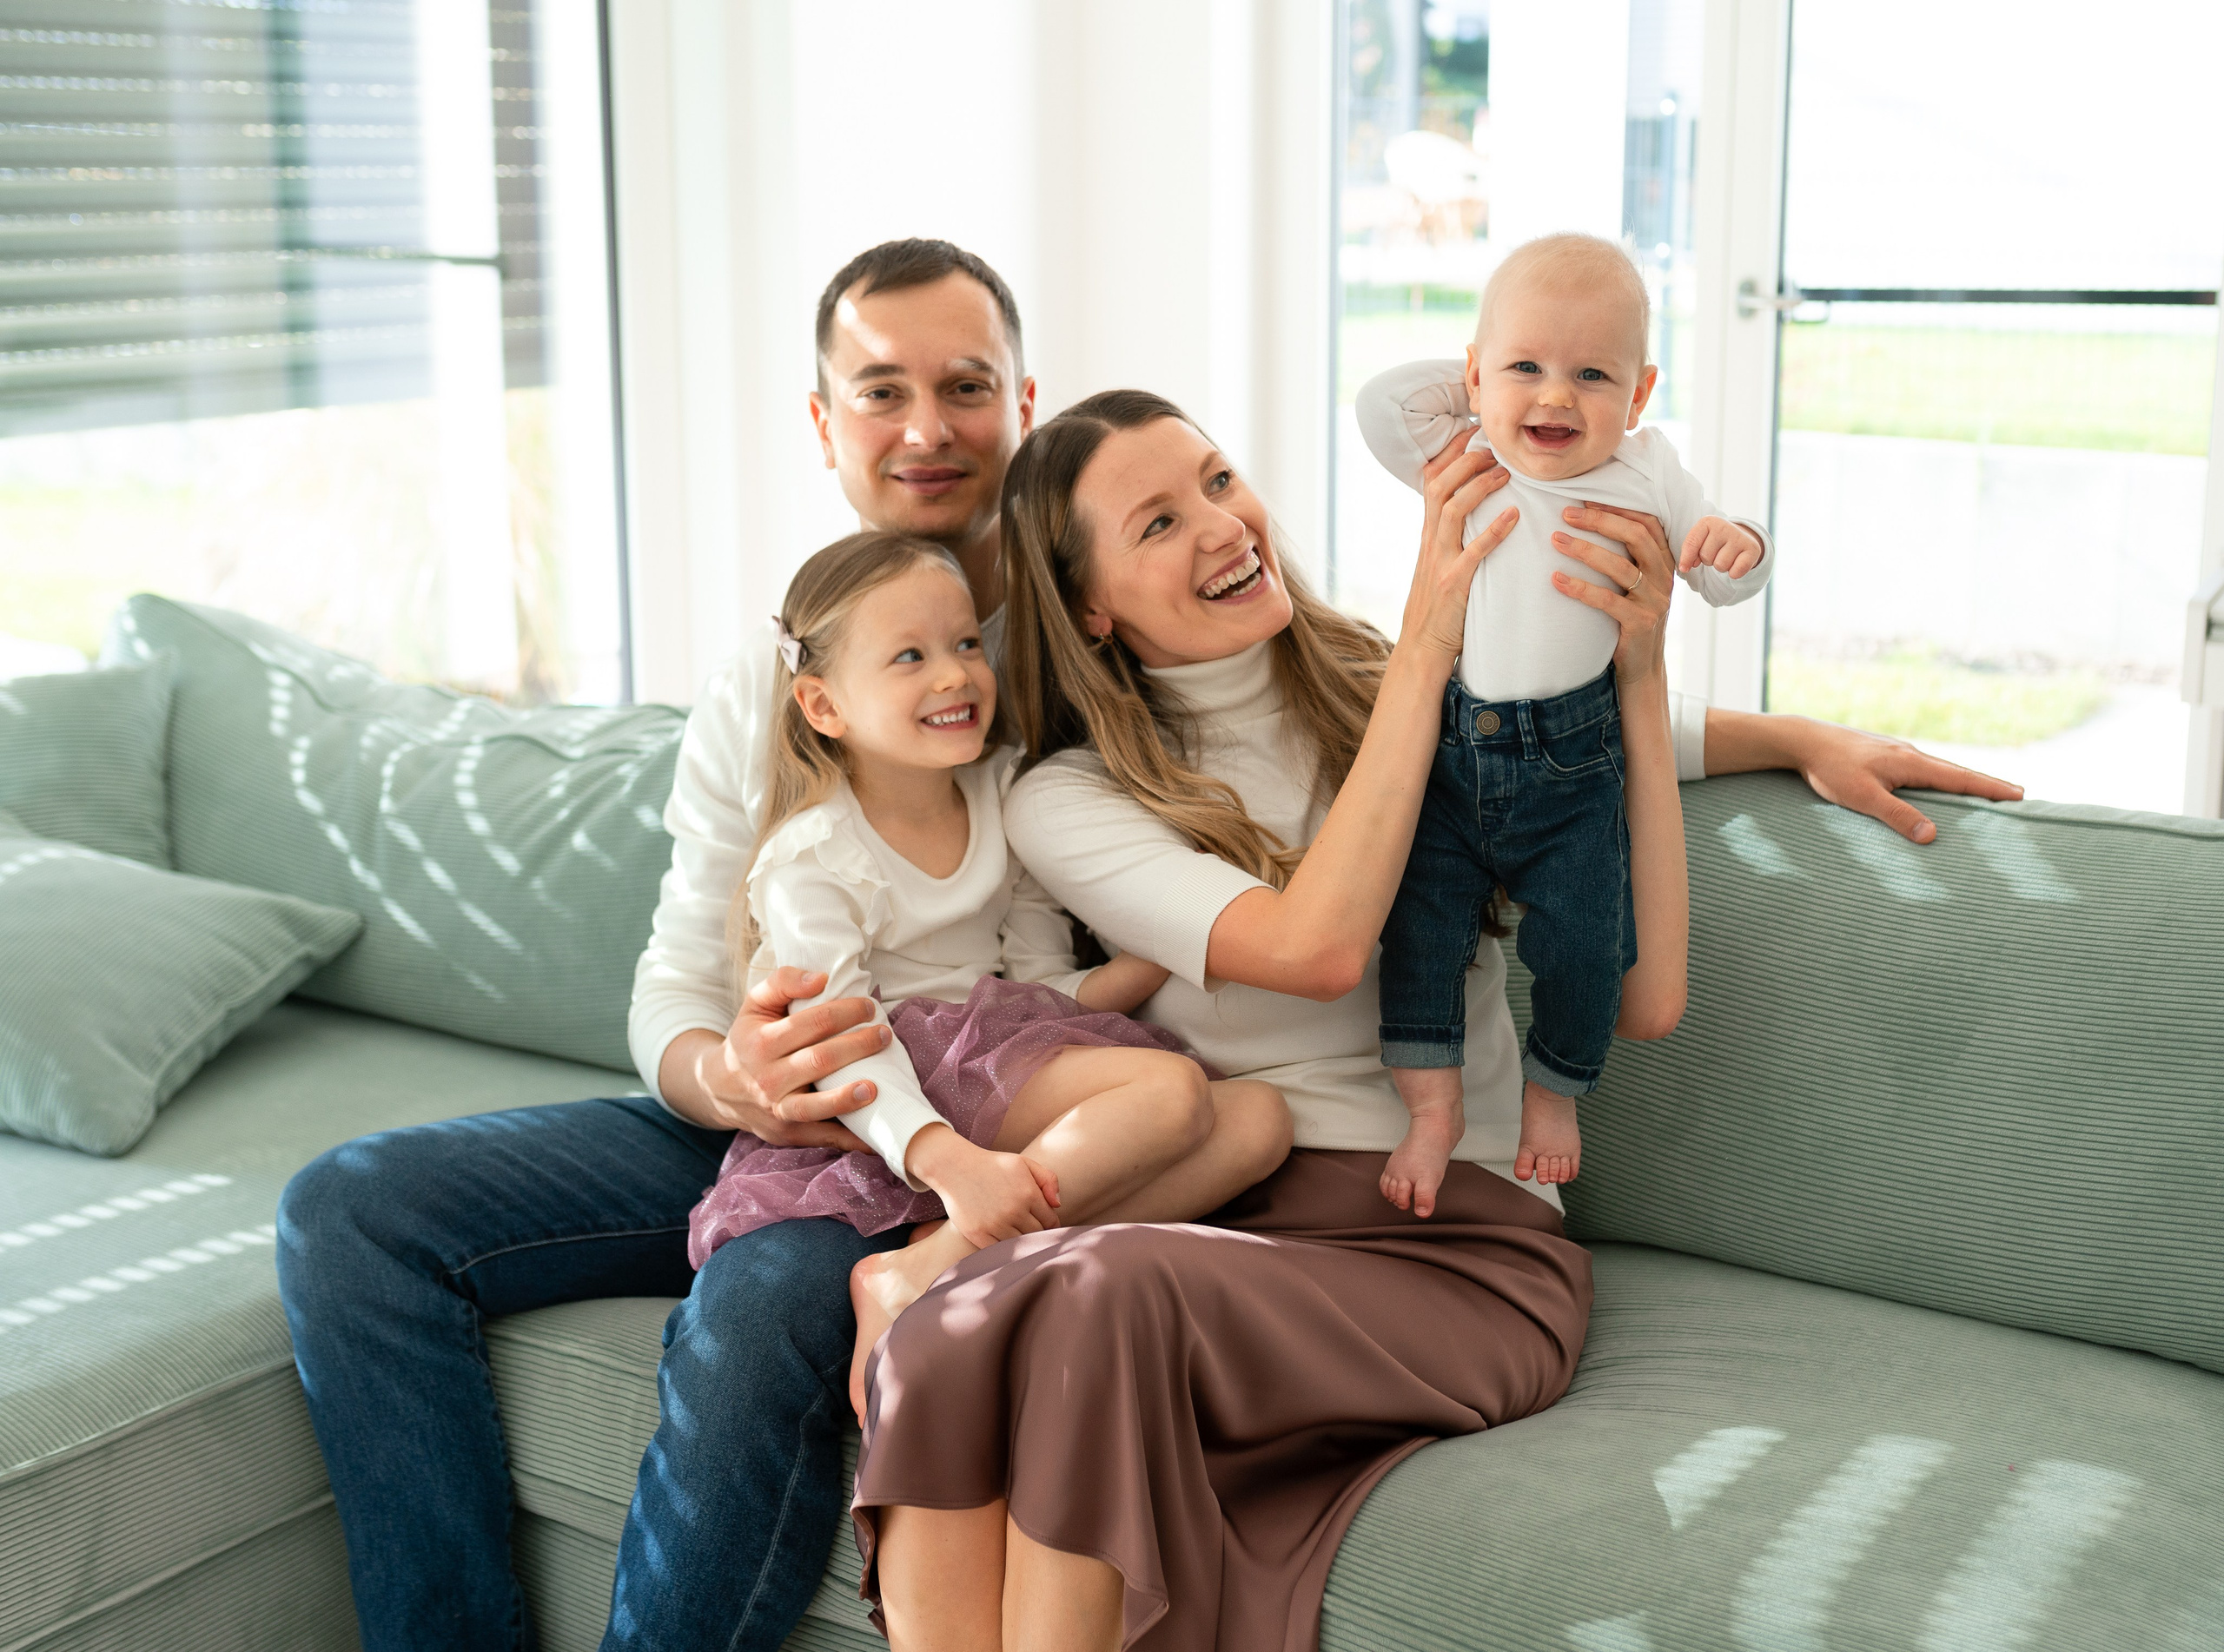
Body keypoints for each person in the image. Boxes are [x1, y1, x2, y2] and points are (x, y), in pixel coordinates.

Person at [275, 235, 2021, 1652]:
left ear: (1014, 404)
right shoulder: (910, 716)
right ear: (825, 424)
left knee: (922, 1295)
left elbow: (1531, 756)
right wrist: (725, 1068)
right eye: (882, 391)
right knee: (386, 1210)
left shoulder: (1287, 684)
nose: (927, 427)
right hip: (904, 1120)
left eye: (1219, 483)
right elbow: (693, 957)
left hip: (1195, 1165)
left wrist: (1769, 727)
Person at [851, 387, 1675, 1649]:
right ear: (1089, 607)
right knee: (963, 1321)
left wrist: (1757, 722)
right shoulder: (1068, 799)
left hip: (1461, 1247)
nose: (1224, 525)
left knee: (1089, 1288)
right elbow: (1313, 948)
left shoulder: (1413, 700)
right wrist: (1425, 652)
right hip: (1232, 1236)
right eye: (1157, 522)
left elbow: (1606, 779)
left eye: (1220, 479)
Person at [685, 530, 1289, 1417]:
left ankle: (947, 1268)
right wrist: (947, 1160)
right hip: (889, 1082)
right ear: (823, 704)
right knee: (1169, 1093)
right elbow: (843, 1045)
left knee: (1260, 1119)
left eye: (966, 643)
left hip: (992, 1057)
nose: (954, 675)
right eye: (909, 657)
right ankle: (934, 1265)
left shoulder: (1002, 792)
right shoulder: (814, 856)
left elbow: (1043, 992)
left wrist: (1169, 941)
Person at [1353, 231, 1771, 1217]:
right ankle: (1432, 1109)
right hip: (1451, 754)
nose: (1555, 399)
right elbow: (1379, 404)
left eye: (1593, 375)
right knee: (1418, 935)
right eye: (1526, 369)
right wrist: (1484, 387)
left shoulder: (1648, 470)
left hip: (1577, 764)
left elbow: (1724, 581)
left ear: (1641, 393)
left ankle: (1554, 1094)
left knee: (1587, 945)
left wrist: (1734, 542)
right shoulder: (1466, 453)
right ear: (1472, 374)